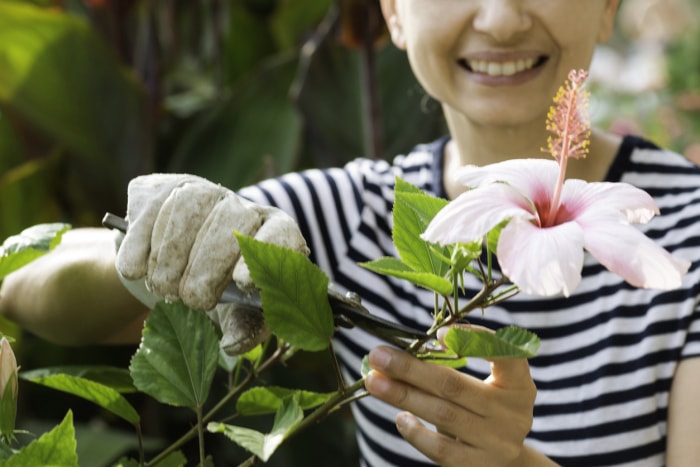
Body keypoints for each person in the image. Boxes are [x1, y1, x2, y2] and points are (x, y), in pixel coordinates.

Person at [1, 0, 700, 465]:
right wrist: (143, 252)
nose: (502, 17)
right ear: (393, 11)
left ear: (609, 5)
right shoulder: (360, 214)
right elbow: (22, 276)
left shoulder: (686, 228)